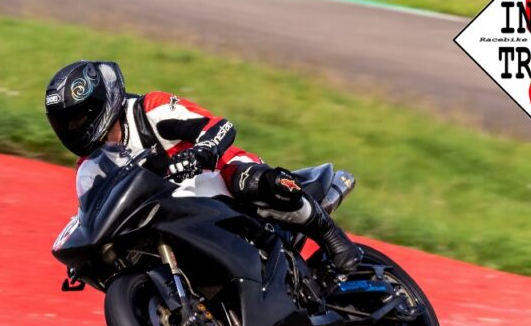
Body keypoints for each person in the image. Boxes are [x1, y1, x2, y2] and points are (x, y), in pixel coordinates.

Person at [44, 60, 361, 274]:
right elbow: (94, 211)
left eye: (78, 117)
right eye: (65, 123)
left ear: (100, 104)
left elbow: (220, 125)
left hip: (218, 175)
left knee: (251, 182)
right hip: (172, 211)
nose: (73, 128)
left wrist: (203, 151)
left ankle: (330, 235)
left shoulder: (149, 109)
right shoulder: (91, 166)